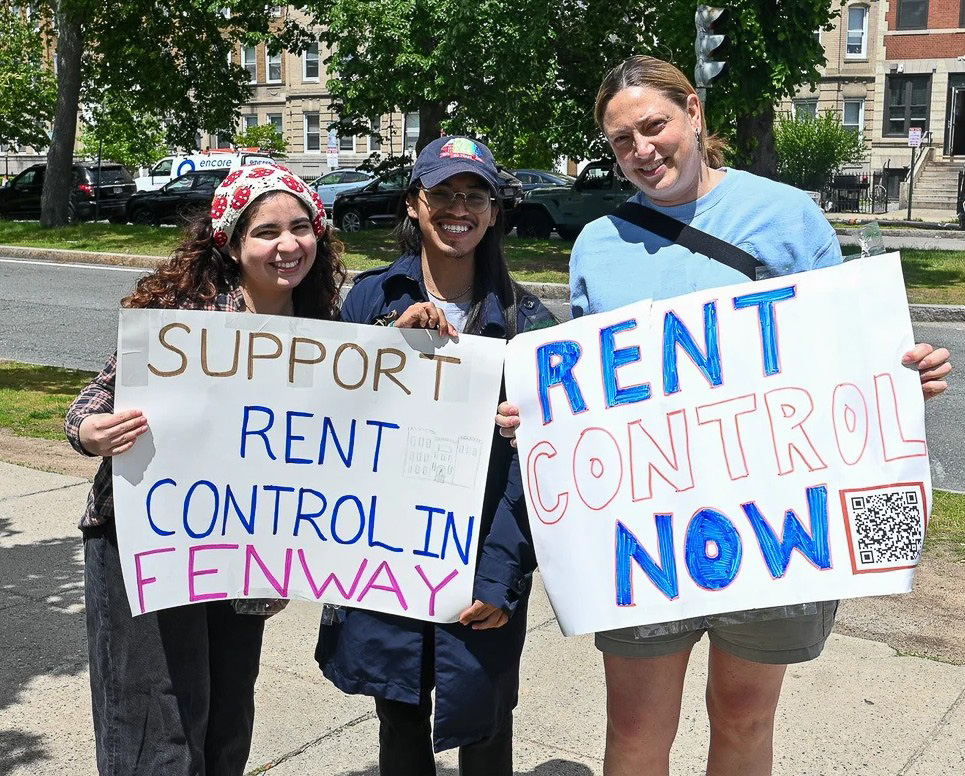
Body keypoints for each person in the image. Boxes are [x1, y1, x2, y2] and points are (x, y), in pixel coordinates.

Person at [495, 55, 952, 776]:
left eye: (654, 126)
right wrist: (540, 419)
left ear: (693, 113)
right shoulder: (597, 245)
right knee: (637, 729)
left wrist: (900, 378)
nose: (642, 150)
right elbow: (589, 393)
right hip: (643, 533)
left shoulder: (786, 215)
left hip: (775, 525)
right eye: (621, 141)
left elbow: (844, 350)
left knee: (742, 718)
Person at [66, 164, 345, 776]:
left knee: (223, 728)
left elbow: (370, 418)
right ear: (232, 241)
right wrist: (89, 432)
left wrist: (416, 348)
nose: (287, 244)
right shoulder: (181, 316)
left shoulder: (327, 333)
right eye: (266, 231)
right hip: (147, 541)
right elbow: (94, 400)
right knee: (154, 725)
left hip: (245, 554)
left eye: (301, 227)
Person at [314, 136, 555, 776]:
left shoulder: (526, 321)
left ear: (495, 210)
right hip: (384, 559)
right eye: (442, 193)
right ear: (416, 205)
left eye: (474, 195)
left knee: (484, 724)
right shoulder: (369, 300)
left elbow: (533, 475)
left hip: (481, 561)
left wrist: (501, 576)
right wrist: (380, 349)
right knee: (399, 721)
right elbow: (319, 424)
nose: (459, 209)